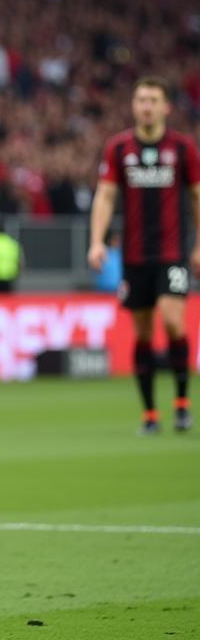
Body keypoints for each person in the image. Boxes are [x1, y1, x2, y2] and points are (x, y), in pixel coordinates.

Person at [89, 77, 200, 434]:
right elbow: (105, 196)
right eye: (141, 100)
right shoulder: (119, 148)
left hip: (172, 252)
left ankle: (182, 403)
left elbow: (197, 198)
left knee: (172, 320)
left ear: (166, 106)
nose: (146, 106)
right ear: (134, 106)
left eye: (153, 99)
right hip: (135, 256)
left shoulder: (183, 149)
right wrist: (97, 241)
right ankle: (150, 413)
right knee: (142, 333)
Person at [92, 229, 123, 294]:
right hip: (103, 290)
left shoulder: (122, 253)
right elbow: (96, 266)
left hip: (118, 291)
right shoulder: (103, 251)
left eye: (118, 240)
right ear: (110, 240)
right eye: (115, 239)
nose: (117, 242)